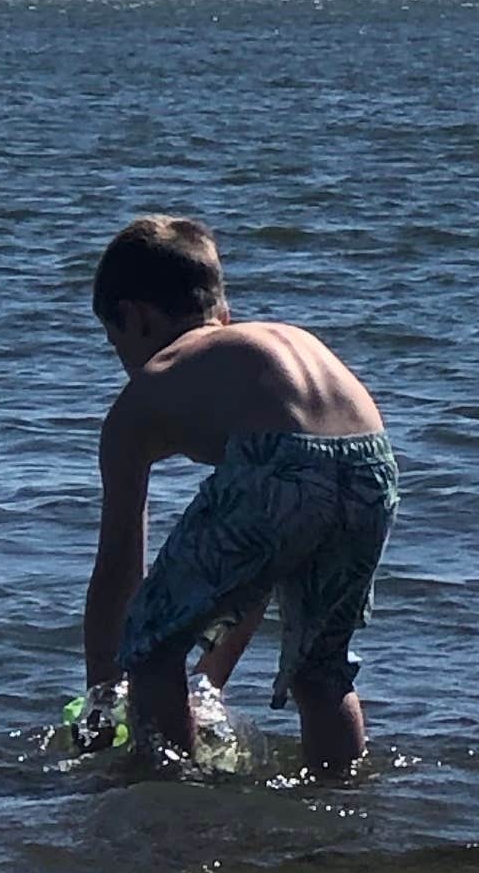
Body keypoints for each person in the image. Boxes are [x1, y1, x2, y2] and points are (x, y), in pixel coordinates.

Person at [83, 213, 398, 772]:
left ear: (134, 318)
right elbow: (262, 562)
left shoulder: (150, 388)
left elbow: (118, 568)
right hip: (371, 459)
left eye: (115, 341)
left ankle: (170, 794)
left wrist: (103, 700)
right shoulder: (259, 347)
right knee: (320, 671)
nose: (122, 360)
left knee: (150, 647)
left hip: (282, 461)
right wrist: (210, 682)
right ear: (220, 312)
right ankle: (344, 799)